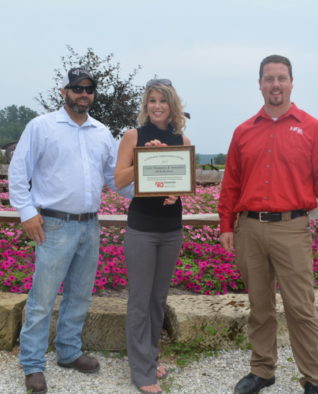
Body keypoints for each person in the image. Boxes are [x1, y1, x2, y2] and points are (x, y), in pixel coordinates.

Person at [218, 55, 318, 394]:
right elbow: (231, 183)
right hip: (250, 230)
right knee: (259, 307)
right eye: (269, 78)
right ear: (259, 84)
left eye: (281, 78)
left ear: (291, 83)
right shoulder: (243, 132)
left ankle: (314, 378)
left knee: (301, 307)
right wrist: (227, 225)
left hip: (292, 229)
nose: (275, 84)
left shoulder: (312, 128)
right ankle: (262, 371)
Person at [9, 68, 132, 394]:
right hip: (53, 224)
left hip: (90, 225)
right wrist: (26, 213)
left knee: (79, 295)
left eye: (89, 89)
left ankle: (68, 352)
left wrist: (153, 188)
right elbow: (18, 171)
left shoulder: (102, 133)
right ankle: (33, 364)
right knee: (42, 299)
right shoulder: (41, 127)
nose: (83, 94)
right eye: (77, 88)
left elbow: (114, 180)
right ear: (63, 92)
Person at [114, 78, 191, 394]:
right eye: (152, 100)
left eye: (163, 100)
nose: (157, 106)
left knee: (158, 299)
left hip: (171, 228)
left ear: (173, 105)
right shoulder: (134, 135)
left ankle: (149, 356)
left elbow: (180, 181)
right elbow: (119, 180)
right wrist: (143, 156)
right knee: (140, 300)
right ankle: (142, 371)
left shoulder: (180, 137)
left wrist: (176, 194)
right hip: (142, 228)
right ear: (146, 105)